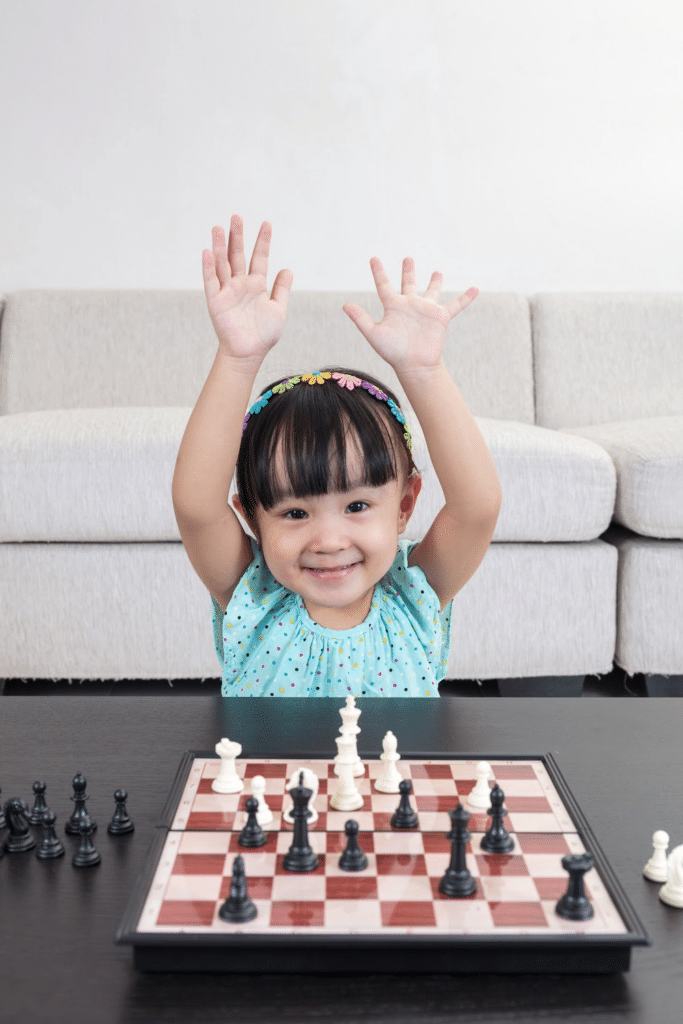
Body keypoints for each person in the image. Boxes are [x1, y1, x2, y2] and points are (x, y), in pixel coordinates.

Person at [172, 216, 502, 697]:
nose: (328, 540)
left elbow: (477, 509)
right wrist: (236, 358)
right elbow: (197, 508)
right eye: (295, 512)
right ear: (251, 517)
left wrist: (424, 372)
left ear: (405, 506)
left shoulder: (414, 596)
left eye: (357, 506)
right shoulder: (251, 598)